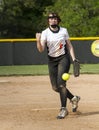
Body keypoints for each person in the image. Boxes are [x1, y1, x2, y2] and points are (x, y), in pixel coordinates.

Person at [36, 12, 80, 119]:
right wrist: (37, 40)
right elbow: (41, 50)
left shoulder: (64, 31)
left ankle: (63, 109)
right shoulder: (45, 33)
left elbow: (69, 46)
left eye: (55, 18)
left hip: (63, 58)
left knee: (61, 84)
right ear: (48, 21)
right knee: (55, 87)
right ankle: (73, 98)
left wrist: (74, 59)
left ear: (58, 20)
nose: (53, 20)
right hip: (52, 61)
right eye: (51, 18)